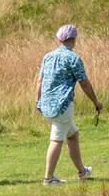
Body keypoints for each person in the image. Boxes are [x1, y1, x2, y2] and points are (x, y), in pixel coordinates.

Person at [35, 24, 101, 184]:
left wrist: (38, 101)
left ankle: (82, 172)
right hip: (63, 105)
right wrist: (96, 101)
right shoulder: (73, 58)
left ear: (59, 39)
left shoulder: (48, 56)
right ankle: (48, 178)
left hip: (46, 104)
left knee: (72, 136)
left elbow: (40, 81)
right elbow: (84, 83)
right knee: (56, 139)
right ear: (74, 39)